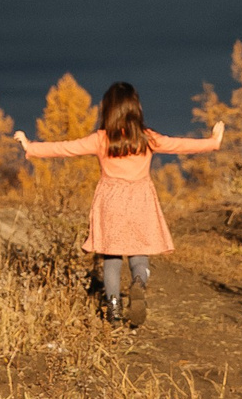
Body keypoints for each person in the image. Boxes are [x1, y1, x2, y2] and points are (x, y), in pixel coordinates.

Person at [17, 81, 224, 324]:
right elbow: (180, 144)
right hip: (141, 200)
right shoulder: (147, 138)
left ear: (108, 110)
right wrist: (212, 141)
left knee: (111, 258)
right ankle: (138, 283)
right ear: (135, 109)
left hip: (110, 201)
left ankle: (113, 308)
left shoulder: (101, 139)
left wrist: (30, 146)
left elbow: (65, 149)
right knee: (139, 253)